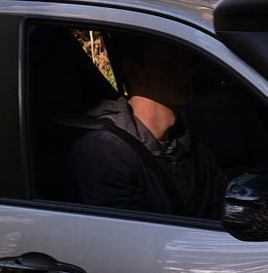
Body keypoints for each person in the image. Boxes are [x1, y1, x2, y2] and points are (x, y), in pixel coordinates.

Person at [61, 33, 226, 218]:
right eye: (171, 61)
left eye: (190, 61)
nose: (189, 71)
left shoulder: (192, 147)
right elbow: (130, 237)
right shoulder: (102, 152)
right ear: (134, 72)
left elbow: (223, 216)